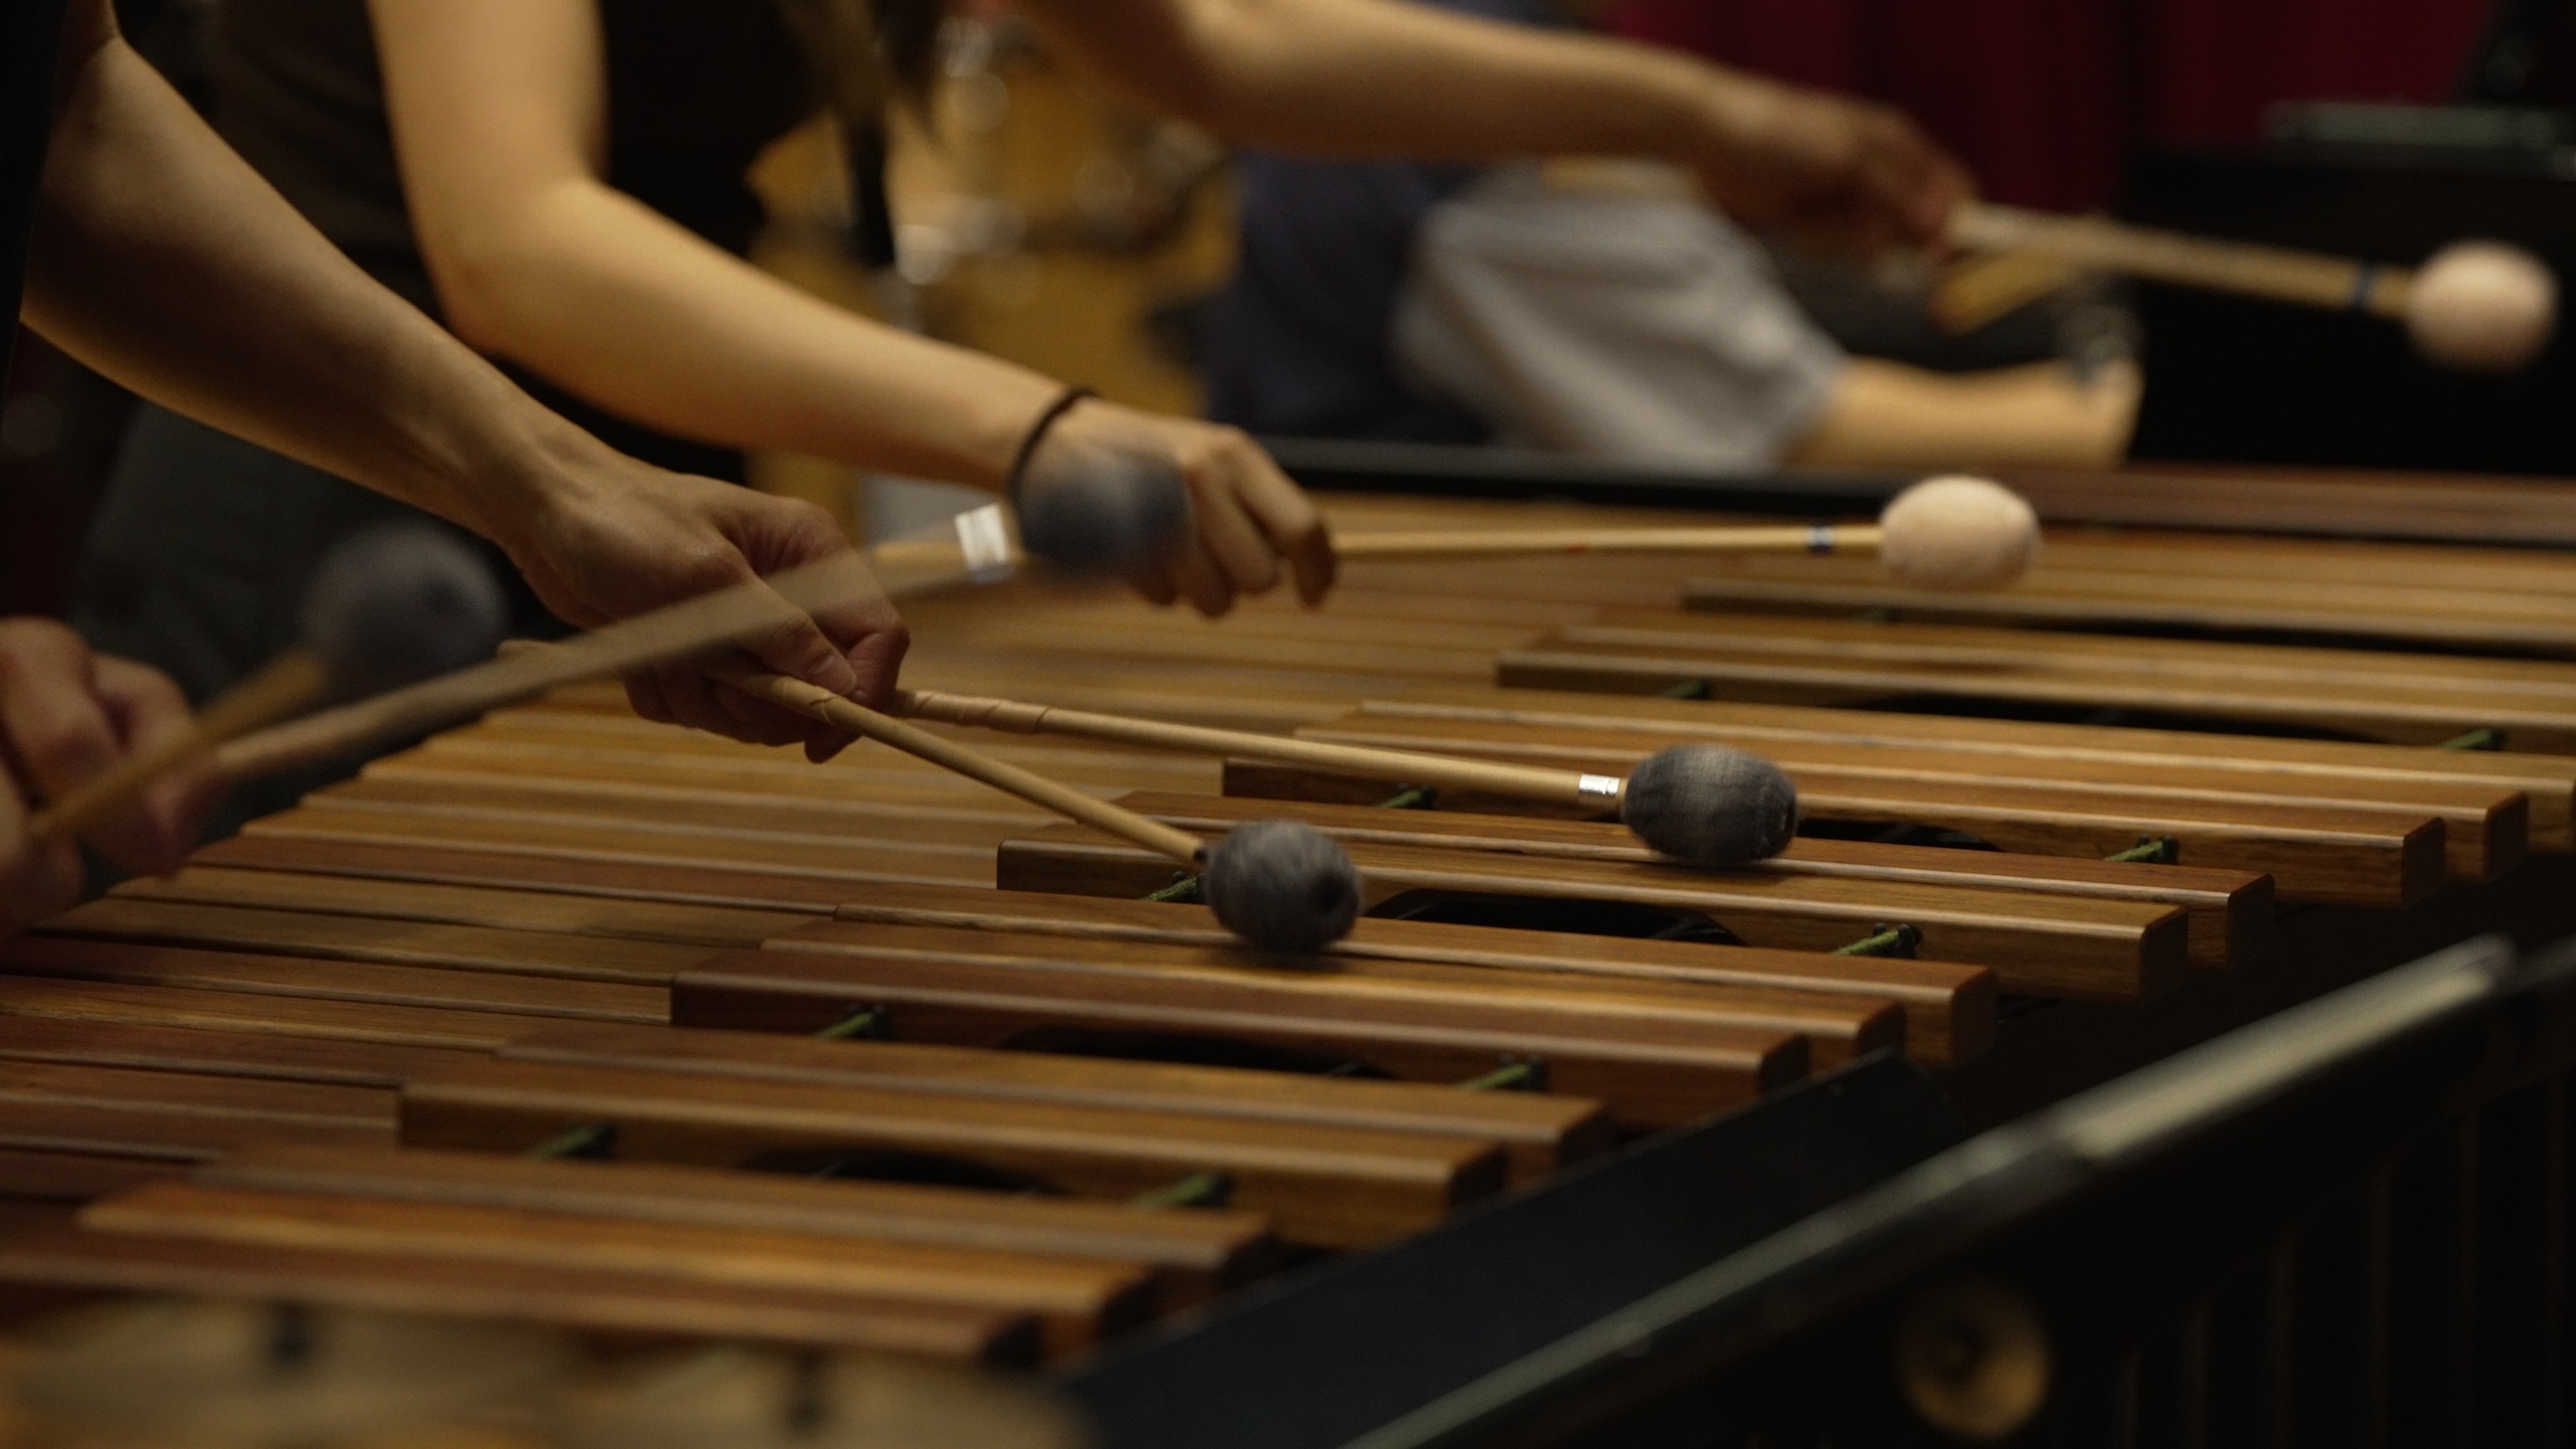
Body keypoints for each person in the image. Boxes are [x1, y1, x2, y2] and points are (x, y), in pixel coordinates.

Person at [87, 0, 1973, 722]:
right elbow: (519, 242)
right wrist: (1051, 429)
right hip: (334, 521)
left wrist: (1700, 115)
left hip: (640, 513)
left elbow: (1220, 48)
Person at [1, 0, 906, 933]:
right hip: (304, 511)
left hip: (471, 470)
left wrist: (562, 486)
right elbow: (510, 239)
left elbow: (66, 119)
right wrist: (1040, 433)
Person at [1203, 0, 2141, 473]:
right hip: (1413, 657)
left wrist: (1714, 122)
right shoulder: (1456, 171)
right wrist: (2141, 413)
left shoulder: (1458, 49)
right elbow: (1795, 437)